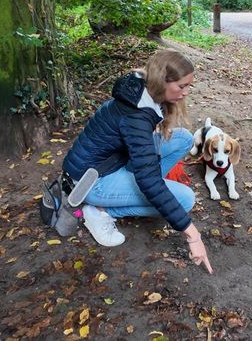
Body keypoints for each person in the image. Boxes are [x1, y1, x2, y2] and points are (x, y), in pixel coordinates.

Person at [62, 50, 213, 273]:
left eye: (189, 86)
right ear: (162, 81)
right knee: (185, 200)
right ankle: (100, 210)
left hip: (107, 162)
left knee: (183, 139)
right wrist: (193, 235)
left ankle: (141, 193)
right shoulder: (136, 116)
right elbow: (148, 179)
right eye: (181, 86)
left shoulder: (139, 89)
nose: (186, 93)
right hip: (91, 181)